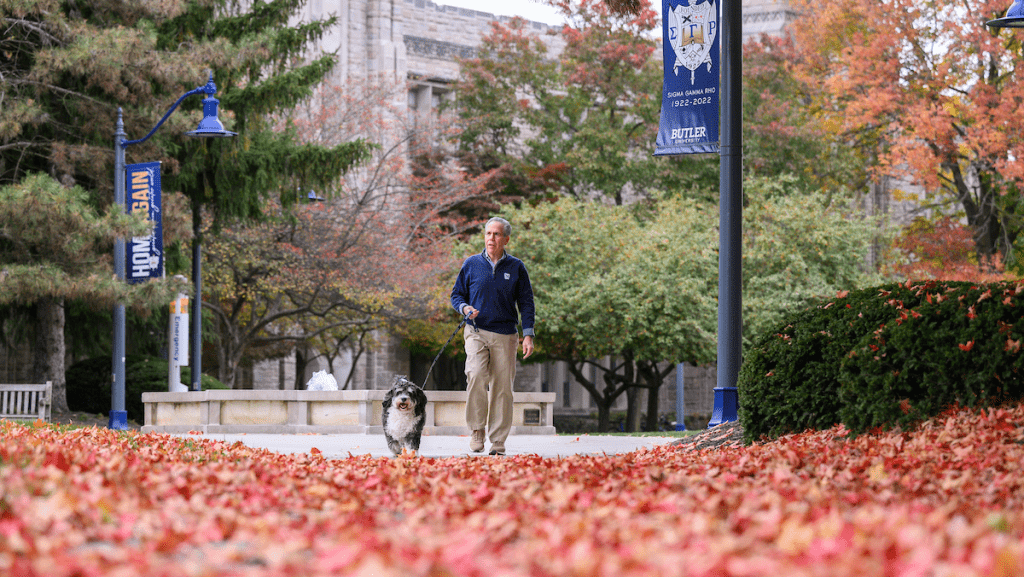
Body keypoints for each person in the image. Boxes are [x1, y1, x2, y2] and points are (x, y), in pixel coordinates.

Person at [450, 217, 535, 455]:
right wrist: (465, 308)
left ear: (506, 239)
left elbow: (527, 303)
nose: (491, 238)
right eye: (488, 234)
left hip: (506, 335)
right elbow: (456, 295)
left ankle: (497, 442)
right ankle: (477, 430)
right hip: (476, 330)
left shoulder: (516, 267)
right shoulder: (471, 264)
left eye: (496, 234)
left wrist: (528, 334)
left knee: (502, 388)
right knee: (475, 375)